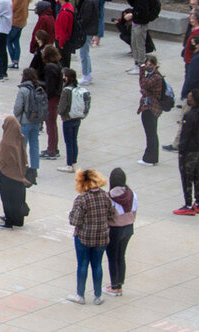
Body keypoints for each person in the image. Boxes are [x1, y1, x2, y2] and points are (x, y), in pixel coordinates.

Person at [67, 168, 115, 305]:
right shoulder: (105, 196)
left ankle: (80, 295)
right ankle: (98, 296)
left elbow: (74, 221)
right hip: (101, 237)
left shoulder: (82, 199)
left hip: (84, 237)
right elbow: (111, 215)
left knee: (82, 265)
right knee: (97, 265)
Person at [165, 36, 199, 154]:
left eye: (193, 43)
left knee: (185, 121)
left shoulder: (198, 59)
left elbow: (192, 78)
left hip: (194, 94)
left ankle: (178, 144)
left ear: (198, 45)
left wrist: (186, 94)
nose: (191, 44)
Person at [173, 89, 199, 216]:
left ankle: (188, 204)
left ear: (195, 100)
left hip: (189, 152)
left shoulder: (189, 116)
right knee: (197, 175)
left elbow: (185, 135)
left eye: (190, 97)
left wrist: (181, 150)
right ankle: (198, 203)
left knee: (186, 177)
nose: (188, 99)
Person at [105, 167, 136, 297]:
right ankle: (120, 284)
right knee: (121, 256)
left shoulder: (109, 196)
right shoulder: (132, 194)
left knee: (112, 257)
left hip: (114, 229)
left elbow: (108, 215)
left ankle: (114, 286)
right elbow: (134, 211)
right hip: (128, 227)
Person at [0, 116, 31, 229]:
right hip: (19, 175)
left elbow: (3, 159)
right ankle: (18, 220)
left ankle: (8, 221)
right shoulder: (20, 138)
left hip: (7, 174)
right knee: (18, 198)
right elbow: (24, 156)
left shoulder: (6, 142)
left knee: (7, 198)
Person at [14, 69, 43, 185]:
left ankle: (22, 167)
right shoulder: (39, 88)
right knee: (35, 144)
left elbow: (17, 108)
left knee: (22, 146)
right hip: (36, 121)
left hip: (25, 122)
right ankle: (34, 168)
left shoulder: (23, 90)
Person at [123, 0, 157, 75]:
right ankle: (136, 63)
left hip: (141, 24)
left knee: (140, 44)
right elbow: (133, 3)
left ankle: (141, 66)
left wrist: (132, 15)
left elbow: (143, 10)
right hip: (136, 22)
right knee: (134, 43)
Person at [137, 55, 164, 166]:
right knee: (151, 133)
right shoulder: (152, 75)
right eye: (146, 64)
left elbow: (144, 85)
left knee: (151, 134)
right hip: (149, 106)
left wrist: (141, 71)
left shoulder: (156, 77)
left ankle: (150, 158)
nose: (148, 67)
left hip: (151, 107)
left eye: (150, 65)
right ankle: (152, 157)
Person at [57, 68, 83, 173]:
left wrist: (59, 111)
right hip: (77, 117)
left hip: (68, 118)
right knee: (74, 140)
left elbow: (62, 106)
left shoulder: (66, 90)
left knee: (68, 142)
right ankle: (74, 162)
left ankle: (69, 164)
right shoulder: (77, 88)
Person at [41, 45, 63, 160]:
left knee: (50, 124)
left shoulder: (49, 68)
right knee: (53, 124)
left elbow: (50, 87)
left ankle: (51, 150)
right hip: (56, 97)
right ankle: (54, 147)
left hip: (51, 99)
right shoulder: (57, 65)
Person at [78, 0, 100, 85]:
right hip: (91, 29)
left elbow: (85, 18)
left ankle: (86, 75)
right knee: (85, 53)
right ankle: (88, 74)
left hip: (87, 30)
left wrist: (79, 26)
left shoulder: (88, 1)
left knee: (83, 53)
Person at [8, 0, 31, 69]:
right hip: (22, 22)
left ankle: (14, 61)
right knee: (16, 41)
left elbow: (12, 7)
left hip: (16, 22)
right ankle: (16, 62)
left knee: (9, 41)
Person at [53, 0, 75, 68]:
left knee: (62, 63)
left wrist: (61, 43)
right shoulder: (69, 6)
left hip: (62, 41)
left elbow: (63, 30)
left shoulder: (64, 12)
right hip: (66, 40)